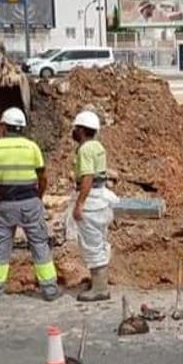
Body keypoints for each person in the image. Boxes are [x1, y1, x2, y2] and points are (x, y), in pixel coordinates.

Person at [0, 107, 59, 304]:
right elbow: (43, 177)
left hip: (6, 204)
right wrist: (38, 197)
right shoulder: (32, 147)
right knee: (39, 244)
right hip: (30, 202)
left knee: (1, 247)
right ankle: (50, 290)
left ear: (4, 126)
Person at [69, 111, 118, 302]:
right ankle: (99, 282)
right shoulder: (98, 146)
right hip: (102, 199)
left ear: (81, 130)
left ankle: (100, 288)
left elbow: (88, 177)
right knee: (99, 241)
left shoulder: (85, 150)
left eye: (76, 128)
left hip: (92, 202)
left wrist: (79, 204)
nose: (73, 131)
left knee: (91, 245)